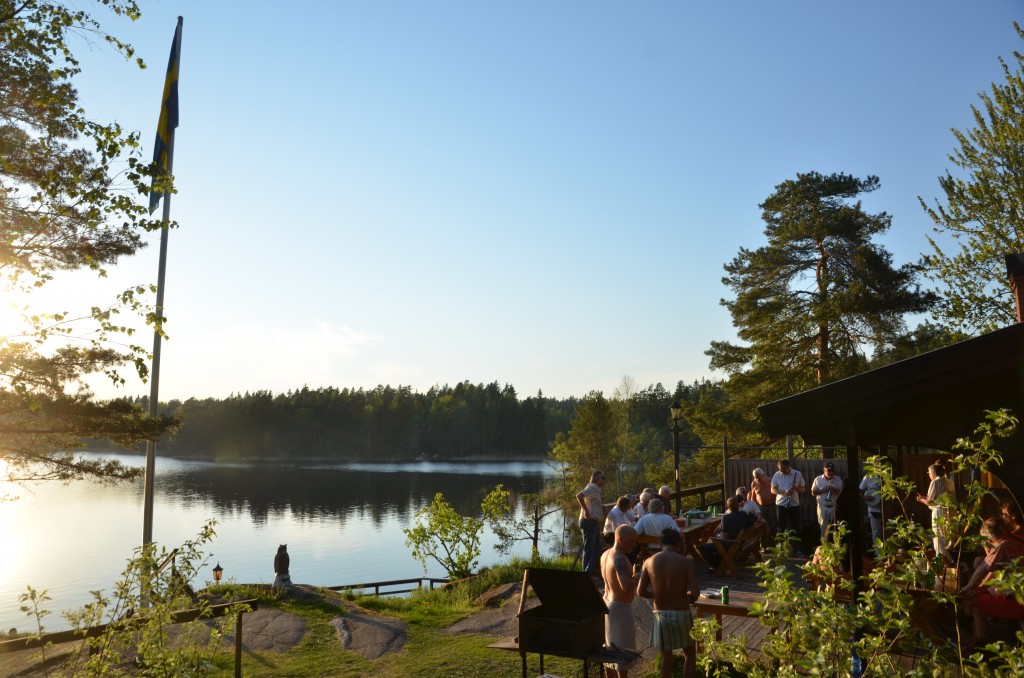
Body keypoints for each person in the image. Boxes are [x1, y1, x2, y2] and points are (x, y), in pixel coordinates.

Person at [637, 528, 698, 678]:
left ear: (660, 543)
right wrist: (687, 597)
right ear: (679, 544)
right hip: (682, 613)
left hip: (661, 615)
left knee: (666, 659)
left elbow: (641, 592)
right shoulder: (685, 562)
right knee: (690, 654)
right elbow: (696, 593)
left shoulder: (648, 562)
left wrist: (657, 594)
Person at [961, 517, 1024, 647]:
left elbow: (983, 568)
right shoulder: (1013, 543)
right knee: (975, 605)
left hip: (1017, 601)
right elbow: (991, 571)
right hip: (1016, 596)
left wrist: (967, 588)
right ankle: (977, 641)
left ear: (988, 539)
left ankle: (974, 639)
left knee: (973, 603)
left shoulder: (1002, 546)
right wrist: (977, 588)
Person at [600, 525, 641, 678]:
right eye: (631, 541)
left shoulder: (605, 555)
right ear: (620, 539)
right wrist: (639, 575)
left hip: (607, 602)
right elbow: (626, 586)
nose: (634, 544)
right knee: (622, 654)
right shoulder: (619, 559)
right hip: (620, 609)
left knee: (609, 649)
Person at [700, 495, 757, 573]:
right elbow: (753, 519)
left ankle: (716, 566)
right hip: (740, 543)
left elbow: (724, 536)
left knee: (703, 547)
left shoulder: (726, 517)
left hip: (730, 544)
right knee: (717, 547)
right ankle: (722, 564)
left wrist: (718, 536)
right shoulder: (743, 514)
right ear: (738, 505)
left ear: (727, 506)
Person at [915, 463, 954, 562]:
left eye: (929, 473)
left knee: (939, 538)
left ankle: (943, 561)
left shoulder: (935, 482)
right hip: (950, 511)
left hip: (938, 512)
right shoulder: (949, 481)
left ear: (932, 473)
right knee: (947, 537)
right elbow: (936, 497)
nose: (929, 475)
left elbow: (929, 501)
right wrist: (924, 498)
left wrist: (921, 500)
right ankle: (949, 561)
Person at [577, 470, 607, 575]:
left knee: (597, 548)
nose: (604, 480)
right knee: (589, 550)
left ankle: (589, 571)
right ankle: (586, 574)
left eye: (604, 478)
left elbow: (592, 502)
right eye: (602, 478)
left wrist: (602, 507)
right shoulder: (593, 487)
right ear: (595, 479)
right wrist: (586, 511)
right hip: (588, 522)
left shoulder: (597, 489)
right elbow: (579, 496)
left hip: (593, 523)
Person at [770, 459, 805, 543]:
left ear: (788, 466)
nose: (781, 470)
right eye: (779, 468)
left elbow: (803, 490)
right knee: (780, 526)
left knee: (795, 526)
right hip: (781, 504)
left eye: (782, 468)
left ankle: (796, 548)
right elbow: (772, 490)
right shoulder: (777, 474)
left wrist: (796, 488)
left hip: (794, 504)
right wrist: (784, 492)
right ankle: (780, 547)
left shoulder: (797, 474)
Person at [810, 462, 843, 539]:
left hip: (834, 506)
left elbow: (842, 493)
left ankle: (835, 545)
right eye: (829, 470)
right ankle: (824, 546)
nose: (831, 472)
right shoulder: (818, 479)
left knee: (836, 527)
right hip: (822, 506)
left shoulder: (837, 479)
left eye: (832, 470)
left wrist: (835, 490)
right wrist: (823, 490)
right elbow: (813, 493)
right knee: (823, 528)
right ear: (824, 470)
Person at [859, 468, 884, 552]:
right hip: (874, 509)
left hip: (887, 509)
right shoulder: (868, 476)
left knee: (888, 530)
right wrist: (865, 497)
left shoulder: (886, 475)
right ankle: (878, 554)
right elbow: (860, 490)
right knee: (876, 531)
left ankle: (888, 553)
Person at [750, 467, 775, 543]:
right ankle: (763, 544)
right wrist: (755, 508)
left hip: (772, 506)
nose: (757, 479)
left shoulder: (770, 481)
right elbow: (753, 497)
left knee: (773, 525)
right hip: (760, 508)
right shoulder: (754, 483)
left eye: (758, 477)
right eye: (755, 477)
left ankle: (772, 543)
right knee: (761, 526)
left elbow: (776, 493)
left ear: (763, 475)